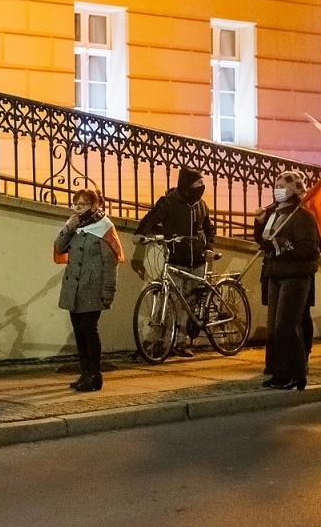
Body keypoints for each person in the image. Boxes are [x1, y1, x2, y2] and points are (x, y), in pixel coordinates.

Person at [135, 166, 216, 357]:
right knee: (171, 301)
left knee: (191, 302)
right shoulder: (169, 202)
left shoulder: (201, 205)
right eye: (198, 183)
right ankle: (162, 341)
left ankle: (181, 342)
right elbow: (152, 218)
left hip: (197, 260)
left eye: (202, 183)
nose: (201, 187)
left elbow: (209, 227)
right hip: (176, 259)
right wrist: (140, 234)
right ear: (187, 184)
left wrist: (209, 247)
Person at [254, 170, 321, 390]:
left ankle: (295, 373)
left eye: (281, 187)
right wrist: (260, 223)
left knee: (287, 325)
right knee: (274, 327)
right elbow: (263, 239)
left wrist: (279, 245)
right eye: (276, 186)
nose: (277, 191)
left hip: (295, 276)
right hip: (275, 274)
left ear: (292, 191)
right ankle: (278, 372)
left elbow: (308, 248)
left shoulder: (303, 216)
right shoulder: (276, 213)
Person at [54, 187, 125, 392]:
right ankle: (85, 373)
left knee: (89, 330)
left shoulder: (104, 227)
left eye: (82, 204)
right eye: (75, 203)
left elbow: (110, 263)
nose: (77, 207)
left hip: (92, 289)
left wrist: (108, 292)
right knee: (78, 331)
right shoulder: (76, 225)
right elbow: (59, 247)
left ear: (94, 205)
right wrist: (68, 227)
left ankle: (95, 374)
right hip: (73, 289)